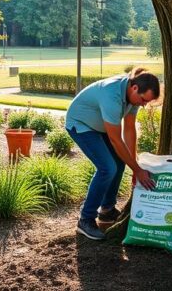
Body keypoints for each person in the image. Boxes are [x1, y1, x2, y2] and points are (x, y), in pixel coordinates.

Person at [64, 66, 161, 240]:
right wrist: (138, 171)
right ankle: (85, 219)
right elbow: (116, 139)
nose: (143, 105)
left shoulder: (133, 97)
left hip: (100, 126)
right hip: (80, 124)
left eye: (146, 103)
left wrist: (134, 164)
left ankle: (107, 210)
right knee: (107, 168)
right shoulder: (112, 94)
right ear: (135, 88)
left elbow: (130, 130)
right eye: (143, 100)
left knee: (119, 162)